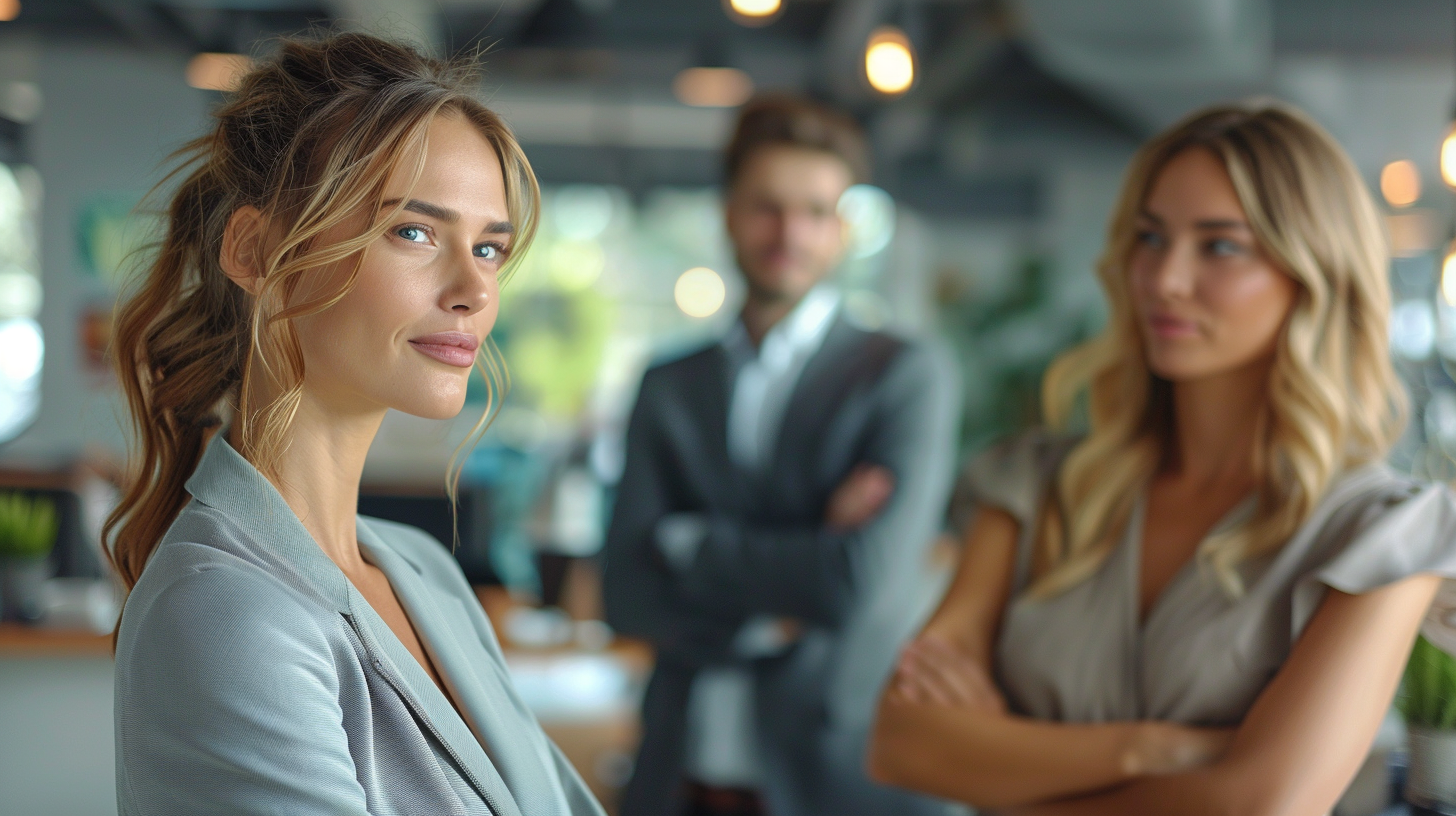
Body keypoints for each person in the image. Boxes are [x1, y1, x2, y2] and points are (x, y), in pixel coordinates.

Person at [868, 100, 1456, 816]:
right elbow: (903, 743)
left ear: (1314, 275)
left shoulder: (1385, 533)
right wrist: (1148, 748)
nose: (1165, 279)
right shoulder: (1036, 483)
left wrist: (1004, 764)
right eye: (1150, 237)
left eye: (1220, 246)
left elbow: (1258, 805)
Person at [106, 33, 604, 816]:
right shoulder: (225, 610)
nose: (474, 287)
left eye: (489, 247)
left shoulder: (422, 573)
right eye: (413, 231)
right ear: (255, 248)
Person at [603, 95, 961, 816]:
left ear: (844, 228)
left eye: (815, 211)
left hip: (841, 783)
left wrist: (692, 544)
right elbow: (625, 594)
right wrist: (798, 569)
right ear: (729, 212)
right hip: (679, 781)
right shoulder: (668, 385)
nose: (789, 233)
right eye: (767, 206)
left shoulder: (903, 375)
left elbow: (855, 584)